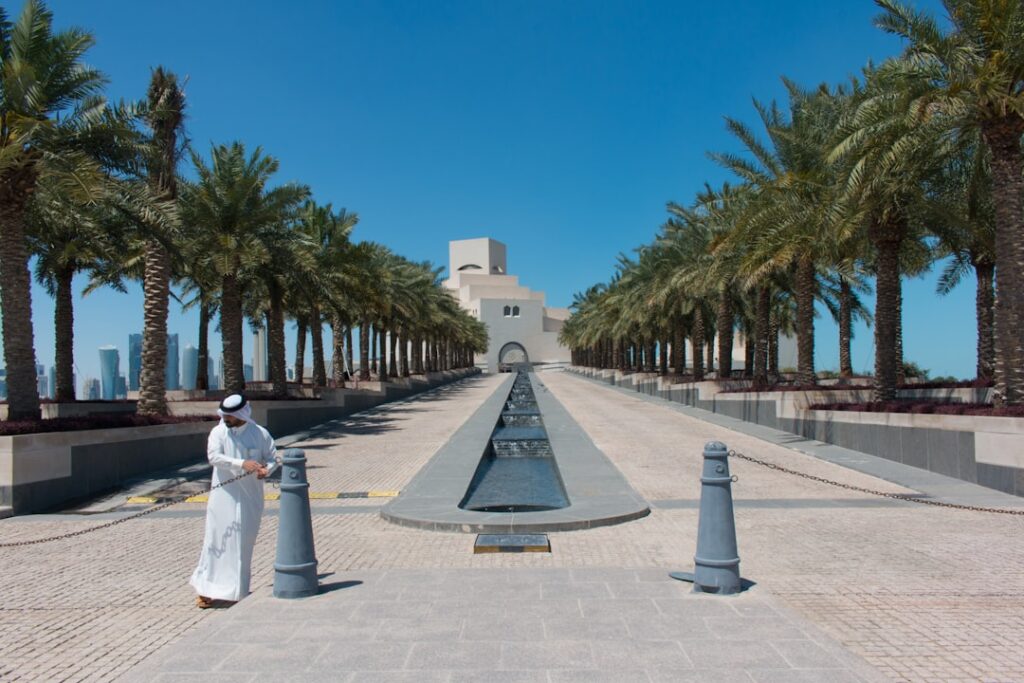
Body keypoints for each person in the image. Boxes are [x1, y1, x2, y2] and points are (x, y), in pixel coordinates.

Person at [190, 394, 277, 608]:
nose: (226, 419)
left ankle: (238, 591)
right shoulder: (218, 432)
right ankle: (206, 590)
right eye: (224, 415)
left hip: (250, 498)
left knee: (243, 544)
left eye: (230, 416)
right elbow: (214, 457)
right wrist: (241, 463)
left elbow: (273, 457)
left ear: (241, 414)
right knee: (215, 542)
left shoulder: (260, 434)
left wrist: (268, 470)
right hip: (223, 498)